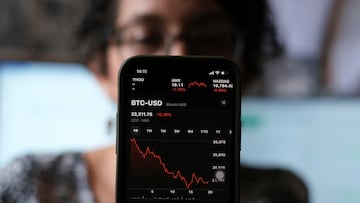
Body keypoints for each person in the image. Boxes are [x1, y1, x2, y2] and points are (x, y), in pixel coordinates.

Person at [0, 0, 308, 203]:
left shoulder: (275, 194)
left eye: (210, 39)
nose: (180, 58)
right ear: (100, 67)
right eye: (146, 38)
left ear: (246, 68)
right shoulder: (29, 184)